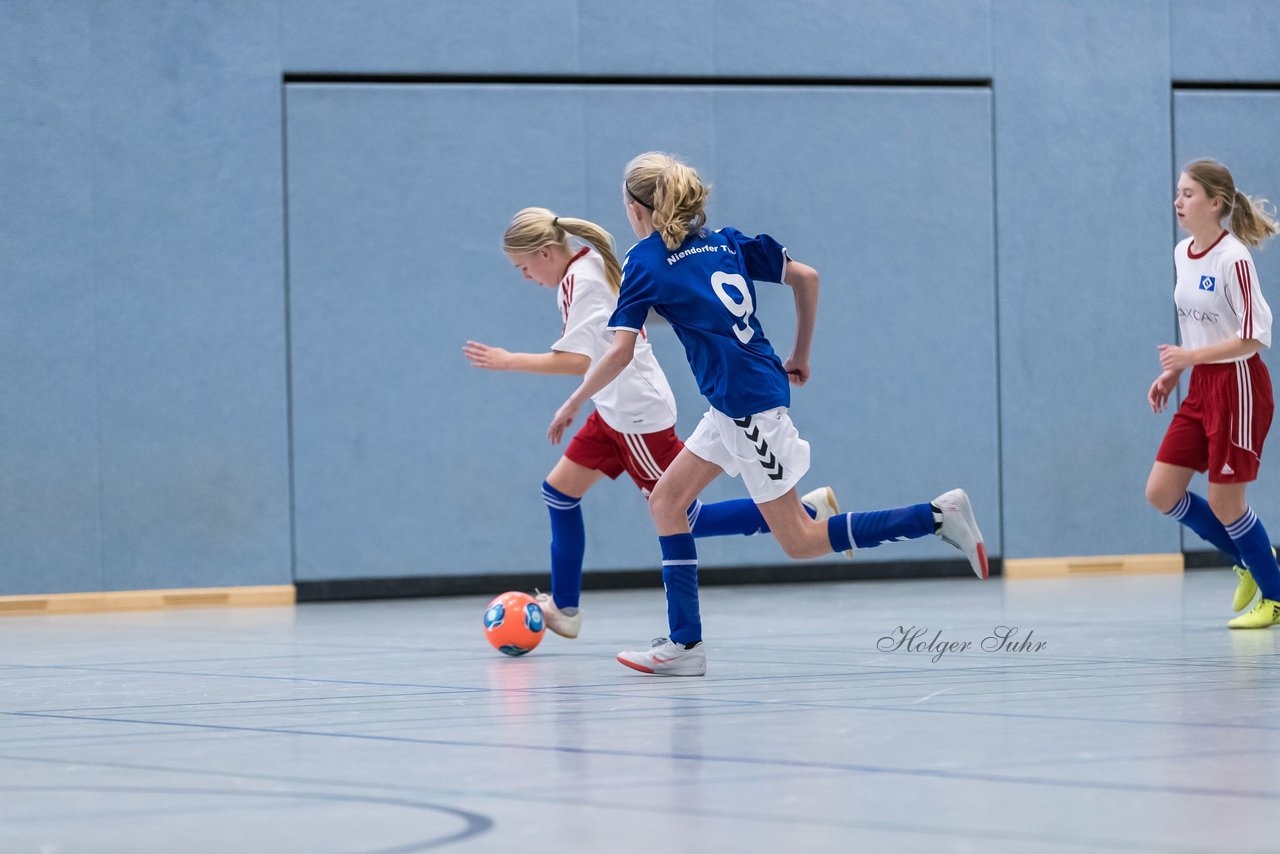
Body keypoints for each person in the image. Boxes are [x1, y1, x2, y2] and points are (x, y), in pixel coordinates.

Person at [547, 153, 989, 677]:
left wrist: (575, 400)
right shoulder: (725, 239)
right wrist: (801, 354)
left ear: (636, 208)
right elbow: (807, 276)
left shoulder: (644, 261)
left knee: (800, 542)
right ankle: (685, 646)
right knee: (667, 501)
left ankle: (937, 515)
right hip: (737, 398)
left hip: (748, 409)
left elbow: (617, 351)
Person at [465, 207, 840, 640]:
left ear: (546, 253)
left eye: (523, 268)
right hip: (611, 409)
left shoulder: (582, 283)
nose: (525, 277)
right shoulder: (581, 264)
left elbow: (577, 362)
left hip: (636, 415)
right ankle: (565, 608)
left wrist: (508, 361)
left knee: (682, 514)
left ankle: (806, 513)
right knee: (560, 492)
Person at [1146, 159, 1280, 629]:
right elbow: (1196, 327)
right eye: (1177, 192)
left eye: (1187, 193)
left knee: (1227, 502)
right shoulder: (1183, 253)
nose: (1177, 201)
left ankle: (1276, 597)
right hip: (1201, 384)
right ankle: (1250, 557)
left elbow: (1254, 336)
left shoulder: (1234, 259)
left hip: (1238, 385)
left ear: (1215, 202)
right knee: (1162, 491)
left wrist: (1189, 359)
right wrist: (1174, 374)